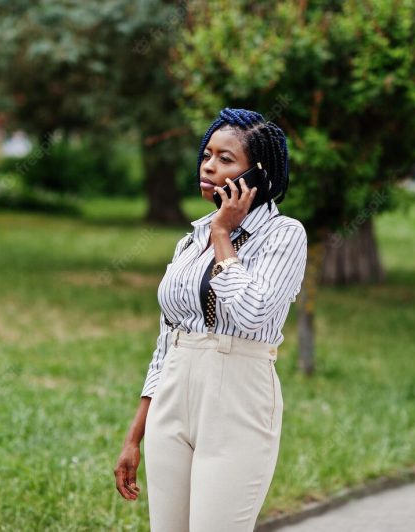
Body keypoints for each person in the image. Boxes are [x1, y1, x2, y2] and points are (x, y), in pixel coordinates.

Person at [114, 108, 308, 531]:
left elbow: (254, 313)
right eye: (207, 154)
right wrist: (135, 434)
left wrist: (224, 235)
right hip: (173, 396)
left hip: (237, 396)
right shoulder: (191, 240)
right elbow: (168, 340)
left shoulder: (285, 235)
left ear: (258, 175)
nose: (208, 165)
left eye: (226, 159)